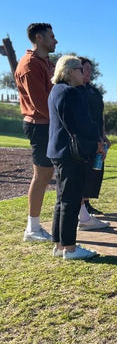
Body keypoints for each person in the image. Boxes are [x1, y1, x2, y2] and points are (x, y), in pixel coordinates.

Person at [47, 55, 105, 260]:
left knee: (62, 199)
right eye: (81, 69)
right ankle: (70, 248)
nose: (84, 73)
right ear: (70, 71)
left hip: (59, 151)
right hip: (72, 154)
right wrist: (97, 142)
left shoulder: (56, 90)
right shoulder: (70, 93)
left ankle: (59, 244)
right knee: (71, 200)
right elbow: (82, 125)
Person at [14, 22, 58, 242]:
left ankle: (82, 215)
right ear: (39, 38)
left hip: (47, 123)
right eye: (51, 36)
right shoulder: (30, 64)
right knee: (41, 175)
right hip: (40, 124)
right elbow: (40, 103)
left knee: (48, 174)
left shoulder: (45, 61)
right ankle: (32, 228)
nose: (55, 40)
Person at [77, 57, 110, 230]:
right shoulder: (75, 90)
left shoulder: (94, 91)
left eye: (90, 68)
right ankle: (82, 213)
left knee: (94, 173)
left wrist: (103, 136)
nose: (88, 71)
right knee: (83, 173)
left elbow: (100, 116)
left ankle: (85, 207)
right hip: (84, 140)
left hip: (97, 138)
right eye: (85, 68)